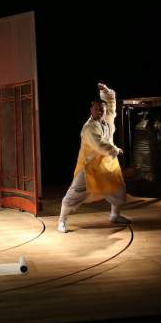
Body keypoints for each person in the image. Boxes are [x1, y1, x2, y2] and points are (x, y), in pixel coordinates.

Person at [57, 83, 131, 233]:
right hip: (89, 166)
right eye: (96, 109)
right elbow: (99, 144)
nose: (100, 111)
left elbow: (111, 103)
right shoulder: (89, 127)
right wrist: (115, 150)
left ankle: (115, 215)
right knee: (75, 193)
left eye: (102, 109)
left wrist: (106, 91)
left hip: (107, 163)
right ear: (91, 110)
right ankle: (62, 220)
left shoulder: (107, 119)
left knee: (118, 188)